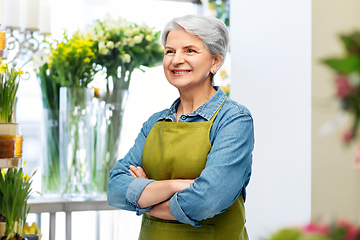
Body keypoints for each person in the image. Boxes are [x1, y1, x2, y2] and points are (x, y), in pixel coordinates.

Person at [107, 14, 254, 240]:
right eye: (169, 51)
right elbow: (116, 188)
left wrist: (145, 198)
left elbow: (207, 200)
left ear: (216, 61)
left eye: (190, 50)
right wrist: (174, 185)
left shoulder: (233, 119)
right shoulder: (154, 123)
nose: (176, 60)